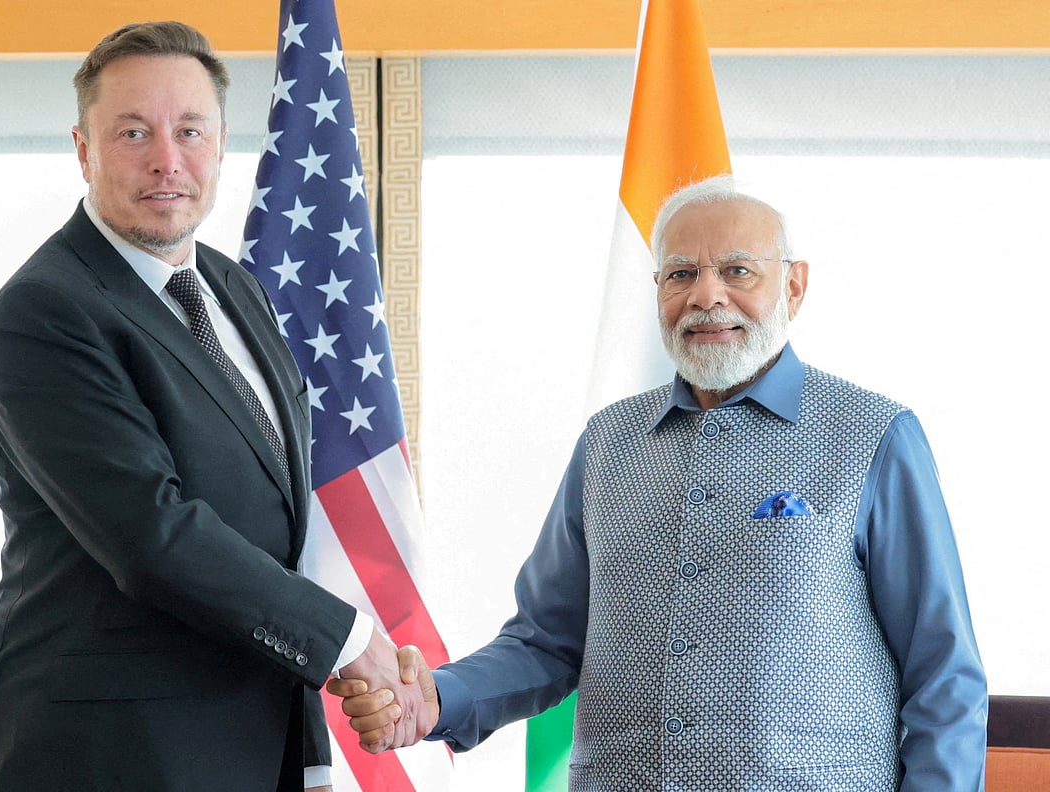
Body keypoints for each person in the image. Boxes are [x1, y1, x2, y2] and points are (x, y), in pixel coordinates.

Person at [331, 176, 988, 790]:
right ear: (657, 293)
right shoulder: (608, 444)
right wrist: (439, 697)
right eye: (681, 274)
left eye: (737, 270)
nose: (706, 296)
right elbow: (546, 642)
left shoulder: (873, 435)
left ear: (794, 287)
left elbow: (944, 675)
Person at [0, 21, 426, 792]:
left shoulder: (233, 287)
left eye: (190, 131)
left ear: (219, 145)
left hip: (250, 736)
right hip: (105, 755)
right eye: (134, 132)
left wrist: (355, 658)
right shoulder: (43, 313)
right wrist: (347, 643)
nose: (166, 160)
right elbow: (154, 535)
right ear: (84, 148)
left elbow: (273, 519)